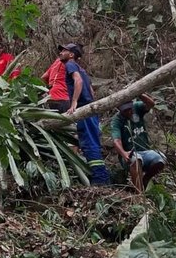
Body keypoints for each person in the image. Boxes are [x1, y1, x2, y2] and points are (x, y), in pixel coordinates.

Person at [59, 42, 110, 185]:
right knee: (92, 142)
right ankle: (102, 177)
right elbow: (91, 90)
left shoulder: (70, 65)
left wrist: (74, 102)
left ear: (71, 55)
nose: (61, 52)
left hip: (84, 110)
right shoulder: (82, 69)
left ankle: (100, 180)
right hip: (91, 110)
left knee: (89, 144)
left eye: (64, 50)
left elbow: (78, 81)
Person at [110, 94, 165, 192]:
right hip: (130, 154)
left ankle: (146, 179)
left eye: (130, 108)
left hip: (144, 151)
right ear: (120, 110)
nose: (129, 111)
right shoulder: (117, 121)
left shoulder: (137, 107)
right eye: (125, 110)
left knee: (160, 159)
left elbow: (151, 104)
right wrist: (124, 153)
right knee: (136, 159)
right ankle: (139, 193)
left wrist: (139, 93)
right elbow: (116, 140)